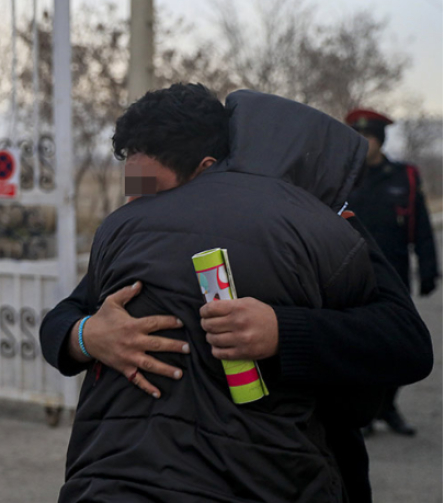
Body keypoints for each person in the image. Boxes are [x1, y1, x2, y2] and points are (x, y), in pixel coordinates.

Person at [51, 84, 382, 502]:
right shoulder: (134, 232)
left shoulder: (320, 222)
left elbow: (400, 341)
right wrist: (87, 336)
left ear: (205, 168)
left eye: (148, 187)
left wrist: (283, 332)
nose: (135, 203)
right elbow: (63, 318)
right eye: (129, 188)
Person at [345, 108, 439, 437]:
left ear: (380, 141)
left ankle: (388, 405)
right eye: (358, 138)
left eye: (368, 138)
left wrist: (429, 268)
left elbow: (422, 226)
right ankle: (366, 409)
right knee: (360, 344)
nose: (363, 144)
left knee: (396, 343)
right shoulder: (343, 175)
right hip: (351, 274)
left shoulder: (404, 176)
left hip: (395, 272)